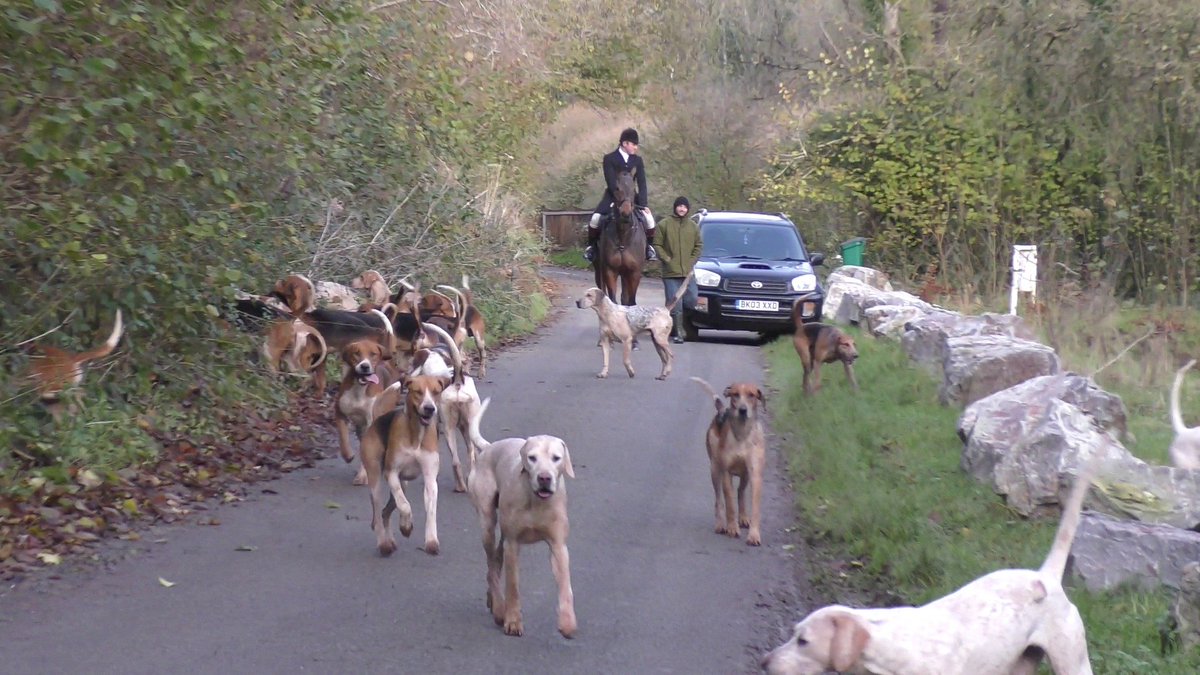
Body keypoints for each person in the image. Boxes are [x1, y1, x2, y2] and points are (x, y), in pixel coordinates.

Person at [584, 128, 657, 262]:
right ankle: (591, 247)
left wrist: (643, 204)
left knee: (649, 220)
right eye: (633, 144)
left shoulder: (638, 161)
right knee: (595, 219)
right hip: (613, 196)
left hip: (633, 198)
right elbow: (611, 182)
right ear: (625, 143)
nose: (636, 147)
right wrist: (619, 199)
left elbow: (642, 183)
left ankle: (649, 248)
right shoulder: (609, 158)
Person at [656, 196, 701, 343]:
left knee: (692, 299)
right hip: (670, 273)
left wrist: (692, 261)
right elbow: (657, 245)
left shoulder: (693, 226)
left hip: (688, 273)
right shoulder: (664, 224)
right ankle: (679, 332)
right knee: (675, 304)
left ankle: (681, 325)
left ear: (688, 209)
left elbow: (698, 246)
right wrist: (667, 259)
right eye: (679, 206)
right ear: (675, 207)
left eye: (684, 207)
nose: (682, 209)